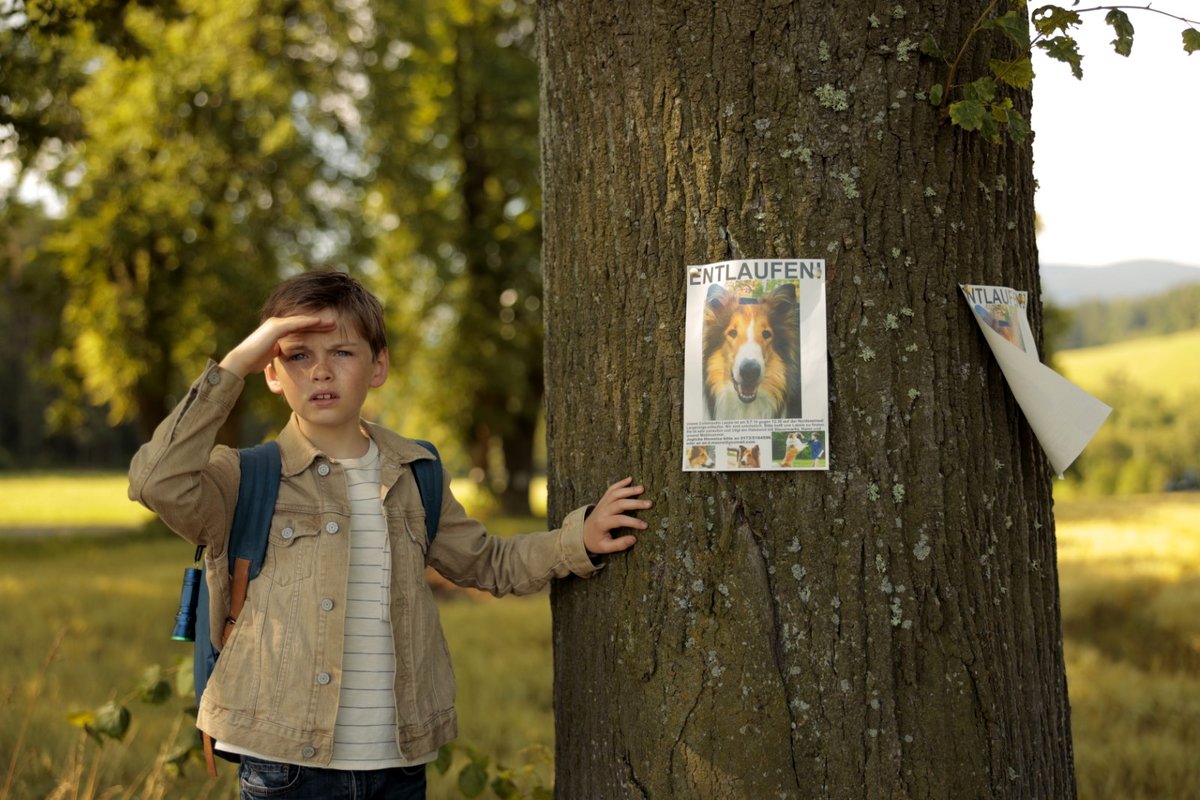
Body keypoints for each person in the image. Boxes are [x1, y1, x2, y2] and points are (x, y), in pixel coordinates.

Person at [128, 270, 651, 800]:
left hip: (397, 764)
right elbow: (155, 480)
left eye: (343, 353)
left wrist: (577, 540)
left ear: (378, 366)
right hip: (284, 766)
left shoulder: (414, 471)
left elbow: (487, 563)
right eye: (299, 356)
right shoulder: (244, 478)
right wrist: (237, 362)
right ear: (272, 372)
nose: (321, 372)